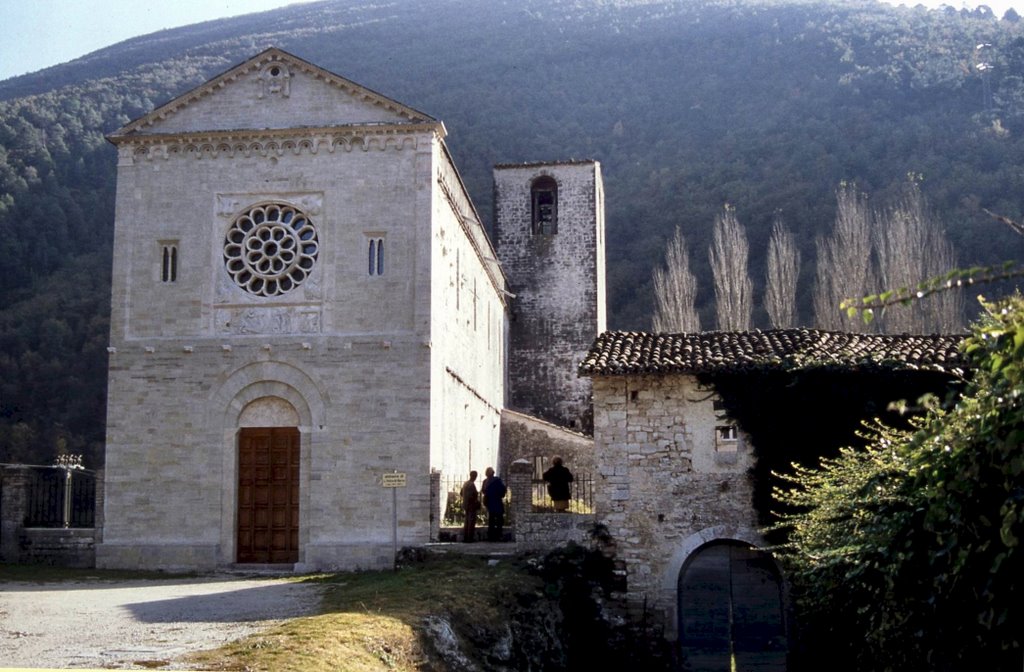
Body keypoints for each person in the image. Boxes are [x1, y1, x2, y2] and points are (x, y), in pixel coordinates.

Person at [481, 467, 507, 542]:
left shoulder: (485, 481)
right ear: (493, 473)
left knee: (491, 520)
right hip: (497, 502)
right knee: (499, 520)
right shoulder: (497, 480)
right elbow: (502, 490)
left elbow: (483, 491)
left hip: (489, 503)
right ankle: (498, 536)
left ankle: (491, 536)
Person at [461, 470, 480, 542]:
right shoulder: (472, 485)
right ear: (474, 476)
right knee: (471, 522)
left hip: (466, 505)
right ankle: (469, 538)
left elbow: (461, 493)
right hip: (471, 505)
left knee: (466, 522)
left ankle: (466, 537)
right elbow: (473, 495)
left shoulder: (465, 483)